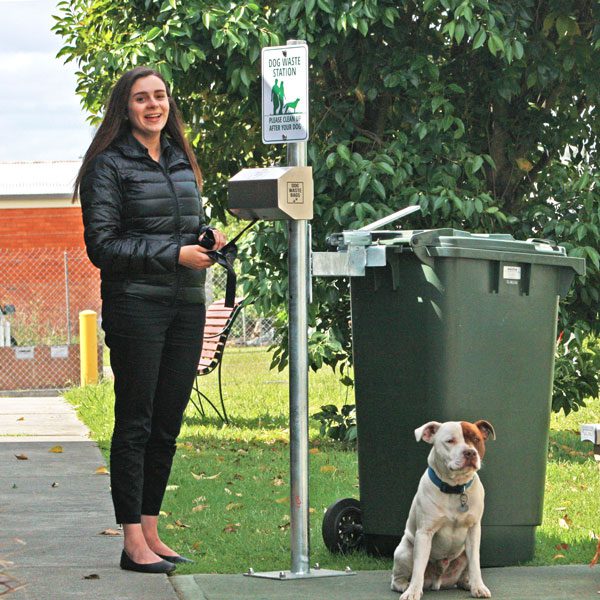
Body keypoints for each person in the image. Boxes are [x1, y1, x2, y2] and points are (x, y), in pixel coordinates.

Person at [73, 66, 226, 574]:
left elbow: (177, 226)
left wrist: (206, 238)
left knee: (166, 425)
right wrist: (174, 255)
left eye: (160, 96)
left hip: (186, 304)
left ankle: (152, 529)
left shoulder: (181, 161)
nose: (153, 105)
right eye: (142, 98)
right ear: (125, 107)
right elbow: (104, 246)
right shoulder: (108, 166)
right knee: (135, 424)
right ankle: (131, 541)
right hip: (136, 305)